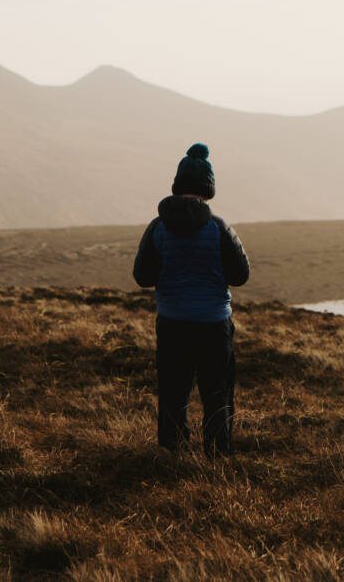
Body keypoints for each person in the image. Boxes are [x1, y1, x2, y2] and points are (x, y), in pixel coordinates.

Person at [132, 143, 250, 456]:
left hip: (172, 323)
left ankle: (172, 454)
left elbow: (143, 277)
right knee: (217, 394)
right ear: (207, 189)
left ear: (178, 185)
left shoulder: (158, 227)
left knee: (173, 392)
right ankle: (217, 456)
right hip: (213, 323)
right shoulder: (217, 227)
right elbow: (240, 275)